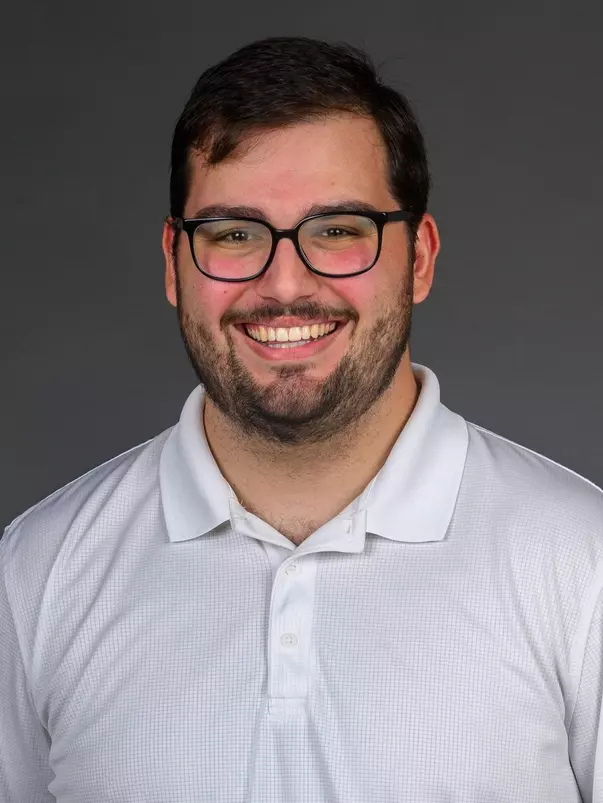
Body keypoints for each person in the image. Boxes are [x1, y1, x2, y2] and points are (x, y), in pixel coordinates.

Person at [1, 35, 602, 803]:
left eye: (337, 230)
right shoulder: (34, 576)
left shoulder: (582, 565)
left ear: (417, 257)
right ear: (172, 263)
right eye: (234, 235)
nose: (285, 284)